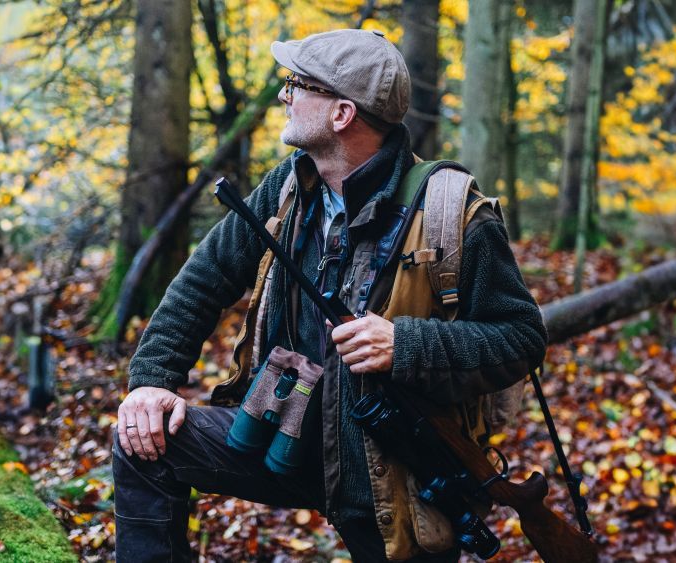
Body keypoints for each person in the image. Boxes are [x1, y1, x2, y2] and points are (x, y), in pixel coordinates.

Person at [113, 28, 546, 562]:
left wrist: (406, 345)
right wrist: (152, 381)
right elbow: (204, 279)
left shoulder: (453, 214)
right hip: (281, 436)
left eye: (297, 84)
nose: (283, 95)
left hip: (393, 477)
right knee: (142, 442)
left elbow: (521, 338)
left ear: (342, 114)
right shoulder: (290, 187)